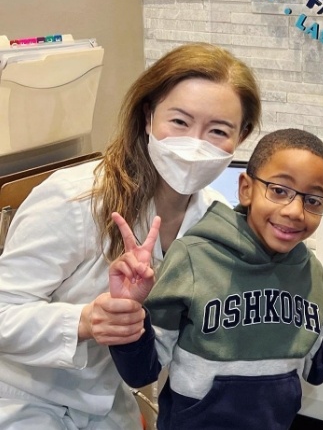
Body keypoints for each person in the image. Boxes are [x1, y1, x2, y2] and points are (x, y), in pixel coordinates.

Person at [0, 42, 264, 430]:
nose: (194, 144)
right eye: (179, 122)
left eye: (218, 131)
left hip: (110, 401)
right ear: (148, 117)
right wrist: (87, 321)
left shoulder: (213, 218)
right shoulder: (75, 198)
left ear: (240, 138)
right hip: (26, 396)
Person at [108, 128, 323, 430]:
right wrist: (127, 310)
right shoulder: (193, 258)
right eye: (279, 190)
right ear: (246, 188)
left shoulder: (309, 271)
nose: (295, 211)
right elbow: (141, 372)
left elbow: (315, 367)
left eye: (313, 200)